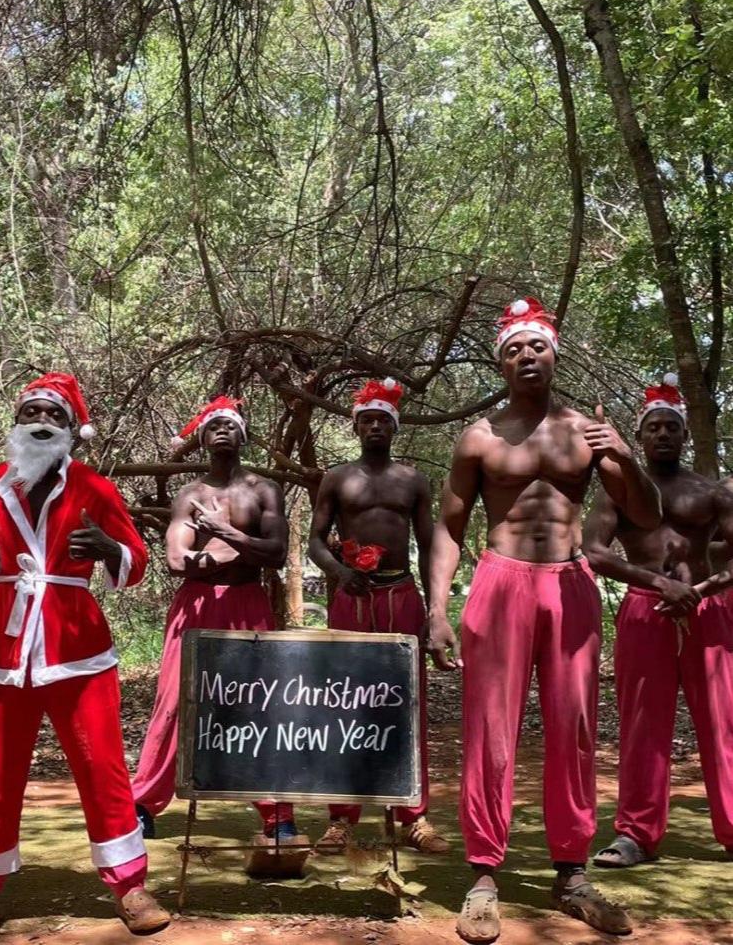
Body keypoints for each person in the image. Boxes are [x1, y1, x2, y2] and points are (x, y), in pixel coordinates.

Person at [428, 297, 662, 943]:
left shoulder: (584, 432)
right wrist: (437, 607)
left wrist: (619, 450)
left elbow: (643, 514)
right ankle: (482, 875)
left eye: (536, 346)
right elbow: (447, 527)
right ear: (499, 361)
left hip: (569, 584)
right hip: (499, 582)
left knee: (574, 726)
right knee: (489, 729)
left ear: (553, 353)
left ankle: (571, 871)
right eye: (512, 348)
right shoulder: (478, 436)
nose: (525, 356)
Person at [0, 372, 169, 941]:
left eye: (54, 415)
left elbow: (135, 558)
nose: (41, 421)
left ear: (70, 430)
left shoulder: (94, 489)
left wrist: (110, 550)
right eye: (31, 411)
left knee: (101, 765)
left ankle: (129, 884)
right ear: (16, 425)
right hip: (1, 646)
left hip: (76, 644)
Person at [130, 396, 301, 851]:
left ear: (242, 435)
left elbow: (276, 552)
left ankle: (277, 812)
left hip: (248, 602)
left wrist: (222, 537)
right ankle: (143, 804)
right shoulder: (190, 494)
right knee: (174, 700)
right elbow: (174, 559)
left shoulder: (263, 490)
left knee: (260, 704)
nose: (222, 430)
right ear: (203, 439)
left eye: (230, 424)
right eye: (214, 426)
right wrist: (237, 549)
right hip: (196, 605)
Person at [585, 375, 733, 866]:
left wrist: (701, 590)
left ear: (685, 435)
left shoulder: (711, 492)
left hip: (705, 615)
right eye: (655, 427)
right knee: (643, 724)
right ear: (640, 436)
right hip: (643, 613)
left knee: (722, 720)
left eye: (673, 426)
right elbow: (595, 553)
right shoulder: (617, 490)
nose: (664, 434)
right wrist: (657, 584)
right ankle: (636, 835)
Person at [307, 378, 448, 854]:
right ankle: (341, 818)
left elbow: (429, 547)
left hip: (401, 596)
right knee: (344, 703)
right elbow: (314, 539)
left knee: (407, 703)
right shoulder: (337, 477)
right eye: (366, 420)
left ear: (394, 427)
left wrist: (434, 612)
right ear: (355, 427)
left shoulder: (412, 480)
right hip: (354, 598)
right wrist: (338, 571)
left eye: (382, 420)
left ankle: (414, 815)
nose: (374, 427)